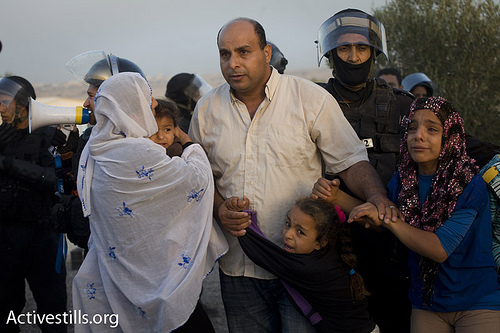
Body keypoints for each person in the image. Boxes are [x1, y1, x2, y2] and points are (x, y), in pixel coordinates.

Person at [189, 17, 397, 333]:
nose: (233, 63)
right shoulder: (206, 109)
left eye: (244, 51)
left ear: (267, 52)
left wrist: (377, 196)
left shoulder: (308, 98)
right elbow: (198, 179)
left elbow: (350, 162)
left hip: (304, 268)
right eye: (225, 54)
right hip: (240, 267)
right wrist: (219, 207)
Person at [314, 96, 500, 332]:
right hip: (427, 301)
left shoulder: (467, 183)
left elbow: (439, 249)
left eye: (431, 129)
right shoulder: (404, 178)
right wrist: (336, 198)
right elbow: (384, 218)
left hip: (477, 303)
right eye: (412, 128)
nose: (418, 136)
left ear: (450, 136)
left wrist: (389, 222)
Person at [72, 72, 228, 332]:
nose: (154, 104)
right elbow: (195, 182)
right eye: (148, 98)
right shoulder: (138, 151)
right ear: (131, 105)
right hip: (158, 279)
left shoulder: (96, 148)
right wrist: (189, 145)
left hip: (117, 273)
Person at [315, 9, 414, 332]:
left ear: (374, 52)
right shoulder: (312, 103)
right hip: (335, 244)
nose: (354, 57)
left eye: (362, 48)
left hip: (396, 241)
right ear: (331, 54)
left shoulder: (402, 104)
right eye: (344, 49)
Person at [225, 195, 377, 332]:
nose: (288, 234)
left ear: (320, 242)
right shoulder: (328, 253)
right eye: (288, 223)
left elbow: (261, 253)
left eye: (300, 232)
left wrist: (243, 218)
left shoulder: (307, 268)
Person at [54, 51, 147, 252]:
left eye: (92, 97)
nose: (86, 104)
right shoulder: (92, 139)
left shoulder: (143, 146)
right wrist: (69, 157)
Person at [0, 76, 67, 333]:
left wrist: (9, 165)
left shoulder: (48, 135)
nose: (1, 108)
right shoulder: (1, 136)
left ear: (23, 104)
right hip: (5, 235)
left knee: (52, 310)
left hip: (42, 235)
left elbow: (55, 181)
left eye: (5, 102)